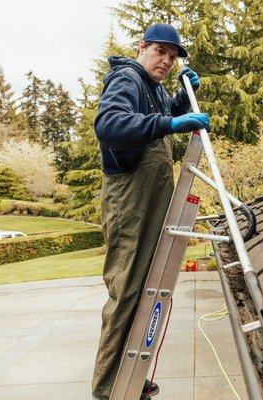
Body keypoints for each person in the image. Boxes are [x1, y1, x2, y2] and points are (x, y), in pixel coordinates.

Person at [92, 23, 210, 400]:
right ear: (142, 47)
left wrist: (179, 100)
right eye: (160, 51)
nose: (166, 60)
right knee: (127, 289)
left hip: (150, 200)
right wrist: (170, 122)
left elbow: (154, 118)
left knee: (146, 288)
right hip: (130, 201)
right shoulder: (127, 78)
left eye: (172, 57)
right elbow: (109, 125)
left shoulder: (154, 90)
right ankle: (109, 387)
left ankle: (131, 372)